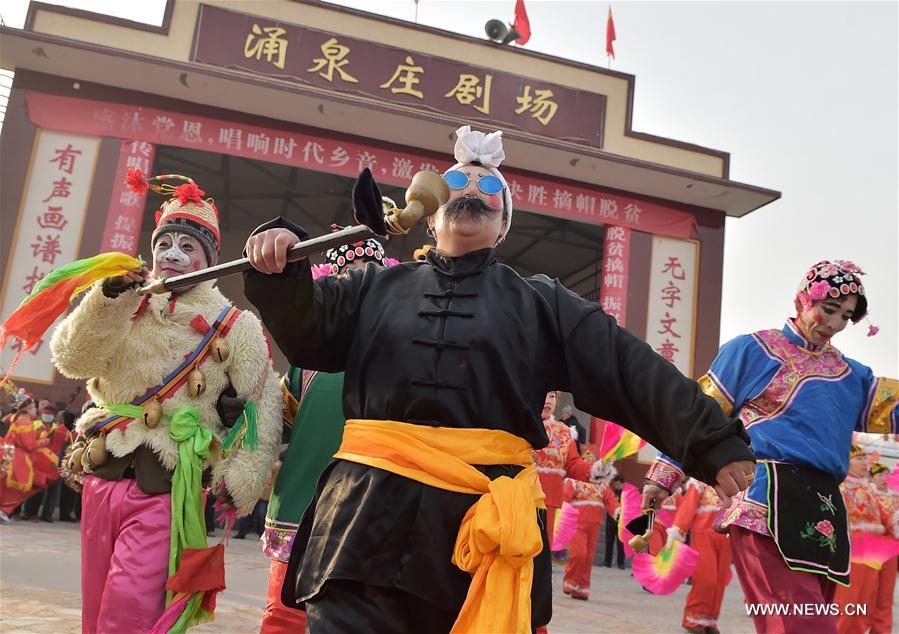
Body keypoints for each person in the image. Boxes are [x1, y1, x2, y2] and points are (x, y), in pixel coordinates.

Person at [244, 125, 754, 632]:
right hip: (361, 518)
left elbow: (630, 369)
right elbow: (307, 328)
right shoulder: (374, 287)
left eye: (489, 188)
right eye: (455, 183)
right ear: (428, 216)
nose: (470, 192)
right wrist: (280, 263)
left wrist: (712, 440)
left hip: (480, 522)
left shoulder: (542, 303)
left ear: (505, 224)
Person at [50, 173, 282, 633]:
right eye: (164, 244)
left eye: (187, 247)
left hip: (172, 479)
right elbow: (72, 360)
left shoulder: (235, 324)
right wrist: (105, 303)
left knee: (130, 603)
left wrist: (242, 477)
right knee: (96, 601)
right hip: (105, 467)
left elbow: (262, 401)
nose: (172, 255)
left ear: (209, 257)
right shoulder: (124, 300)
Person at [644, 259, 898, 634]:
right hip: (767, 499)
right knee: (799, 625)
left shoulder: (852, 376)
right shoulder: (753, 350)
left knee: (810, 619)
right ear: (801, 299)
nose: (835, 324)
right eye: (828, 310)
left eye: (845, 316)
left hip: (824, 507)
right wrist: (664, 475)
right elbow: (702, 414)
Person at [260, 230, 394, 634]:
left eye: (369, 278)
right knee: (284, 617)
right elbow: (276, 419)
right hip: (301, 505)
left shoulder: (398, 356)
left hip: (371, 511)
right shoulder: (309, 360)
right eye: (348, 277)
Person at [834, 446, 897, 634]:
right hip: (852, 550)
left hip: (872, 553)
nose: (864, 462)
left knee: (864, 605)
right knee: (846, 604)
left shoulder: (867, 489)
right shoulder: (840, 486)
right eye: (858, 458)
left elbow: (885, 514)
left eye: (864, 458)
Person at [533, 390, 606, 545]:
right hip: (518, 496)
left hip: (548, 501)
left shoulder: (563, 432)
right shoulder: (519, 425)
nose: (548, 401)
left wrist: (595, 469)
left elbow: (573, 464)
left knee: (541, 549)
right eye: (544, 395)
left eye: (552, 397)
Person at [666, 478, 731, 634]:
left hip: (727, 536)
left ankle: (709, 620)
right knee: (707, 579)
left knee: (719, 582)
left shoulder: (734, 482)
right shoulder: (700, 482)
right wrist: (678, 530)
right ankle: (692, 618)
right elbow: (687, 507)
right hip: (703, 533)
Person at [561, 467, 619, 600]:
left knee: (588, 558)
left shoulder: (603, 487)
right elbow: (565, 498)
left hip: (594, 526)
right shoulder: (574, 482)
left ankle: (582, 588)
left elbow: (612, 502)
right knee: (579, 554)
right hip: (577, 523)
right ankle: (570, 580)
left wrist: (619, 513)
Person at [0, 391, 59, 523]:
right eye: (34, 407)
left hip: (13, 454)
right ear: (27, 408)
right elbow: (28, 444)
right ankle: (4, 509)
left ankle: (5, 510)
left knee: (7, 486)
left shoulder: (20, 419)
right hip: (19, 458)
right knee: (14, 487)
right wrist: (42, 442)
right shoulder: (25, 422)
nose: (36, 410)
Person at [21, 402, 68, 521]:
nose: (48, 416)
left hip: (52, 461)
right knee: (33, 487)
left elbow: (65, 438)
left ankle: (41, 514)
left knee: (47, 489)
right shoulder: (35, 424)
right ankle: (26, 512)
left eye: (50, 415)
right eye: (46, 414)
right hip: (36, 460)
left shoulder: (57, 428)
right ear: (41, 414)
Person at [869, 462, 898, 634]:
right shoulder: (868, 494)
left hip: (891, 549)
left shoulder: (895, 497)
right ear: (872, 478)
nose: (884, 479)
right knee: (867, 593)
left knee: (885, 595)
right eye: (880, 475)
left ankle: (881, 630)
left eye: (887, 475)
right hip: (870, 550)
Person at [603, 475, 627, 569]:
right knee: (609, 542)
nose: (616, 486)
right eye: (615, 484)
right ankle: (607, 562)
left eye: (618, 484)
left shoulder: (626, 494)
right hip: (610, 521)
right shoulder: (611, 493)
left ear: (622, 484)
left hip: (621, 523)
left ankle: (621, 563)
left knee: (620, 544)